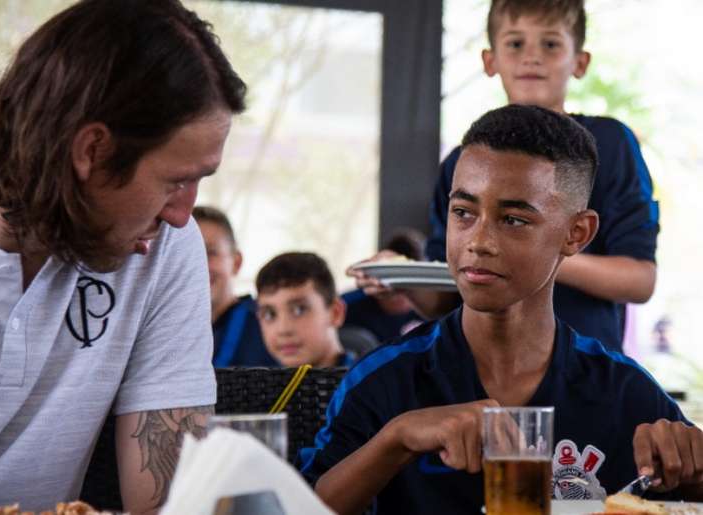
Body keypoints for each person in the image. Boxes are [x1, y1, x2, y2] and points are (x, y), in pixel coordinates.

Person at [301, 105, 702, 515]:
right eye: (463, 213)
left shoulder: (625, 395)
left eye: (512, 219)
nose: (479, 241)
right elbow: (300, 509)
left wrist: (693, 471)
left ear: (575, 233)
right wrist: (397, 439)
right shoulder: (384, 381)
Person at [0, 1, 246, 513]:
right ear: (92, 151)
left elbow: (174, 503)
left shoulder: (163, 248)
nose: (184, 216)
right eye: (177, 181)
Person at [353, 0, 658, 352]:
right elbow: (445, 298)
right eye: (515, 44)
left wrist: (534, 255)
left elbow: (639, 280)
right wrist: (402, 278)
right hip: (479, 371)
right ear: (490, 60)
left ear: (580, 62)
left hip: (582, 374)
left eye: (550, 44)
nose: (532, 57)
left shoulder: (610, 144)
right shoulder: (461, 162)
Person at [194, 206, 277, 367]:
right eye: (186, 254)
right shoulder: (165, 332)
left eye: (211, 253)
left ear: (236, 263)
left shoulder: (267, 324)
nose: (198, 265)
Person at [256, 252, 355, 368]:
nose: (283, 330)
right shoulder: (253, 383)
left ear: (335, 313)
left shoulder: (369, 383)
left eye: (299, 310)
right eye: (269, 314)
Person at [341, 229, 426, 343]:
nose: (399, 292)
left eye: (409, 282)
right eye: (394, 279)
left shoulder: (435, 312)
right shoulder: (346, 307)